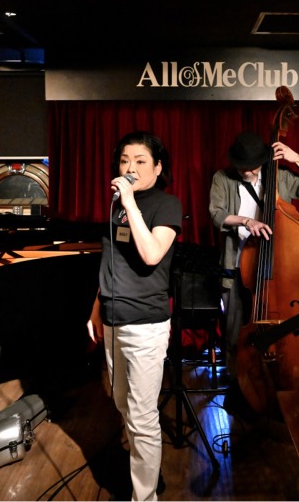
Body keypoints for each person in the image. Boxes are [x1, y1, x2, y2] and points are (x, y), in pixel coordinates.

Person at [87, 131, 182, 501]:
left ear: (157, 168)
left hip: (145, 325)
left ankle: (145, 496)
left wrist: (129, 202)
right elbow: (111, 261)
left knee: (142, 417)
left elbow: (152, 254)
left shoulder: (166, 204)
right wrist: (96, 307)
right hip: (113, 318)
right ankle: (138, 466)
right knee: (121, 402)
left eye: (141, 161)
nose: (131, 167)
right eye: (125, 160)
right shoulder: (117, 206)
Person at [209, 131, 299, 380]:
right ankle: (237, 383)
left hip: (276, 267)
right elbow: (217, 214)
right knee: (235, 330)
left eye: (253, 166)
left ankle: (278, 379)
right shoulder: (222, 178)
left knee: (280, 329)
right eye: (243, 166)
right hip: (237, 265)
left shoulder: (279, 176)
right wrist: (246, 221)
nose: (248, 171)